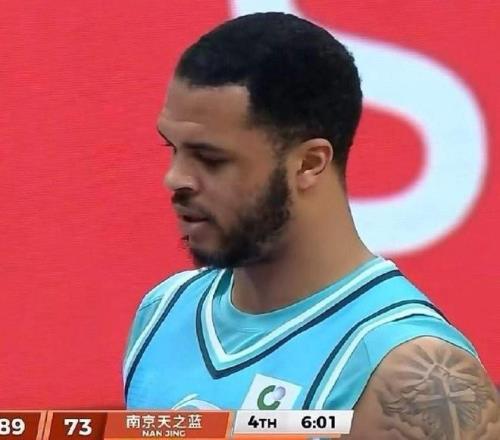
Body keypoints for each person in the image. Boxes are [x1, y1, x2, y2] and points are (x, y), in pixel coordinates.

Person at [123, 12, 500, 438]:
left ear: (309, 163)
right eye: (173, 148)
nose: (175, 178)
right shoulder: (164, 313)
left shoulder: (415, 378)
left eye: (211, 159)